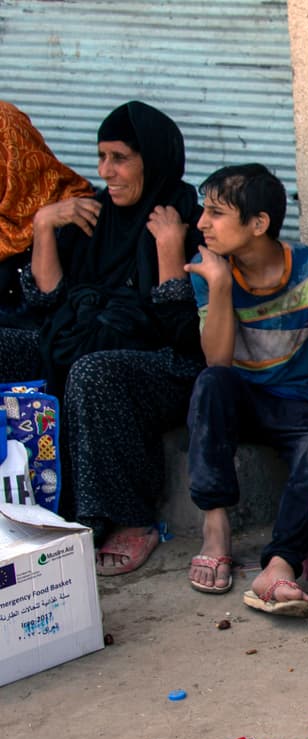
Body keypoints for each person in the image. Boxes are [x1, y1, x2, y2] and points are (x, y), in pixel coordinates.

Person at [0, 100, 204, 575]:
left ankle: (129, 518)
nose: (105, 171)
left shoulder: (184, 217)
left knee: (93, 370)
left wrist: (170, 250)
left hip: (166, 363)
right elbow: (46, 302)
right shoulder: (98, 212)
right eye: (101, 157)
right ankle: (17, 501)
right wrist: (44, 225)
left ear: (151, 159)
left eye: (119, 158)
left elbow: (183, 335)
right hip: (83, 343)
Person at [183, 164, 308, 613]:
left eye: (215, 213)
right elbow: (217, 359)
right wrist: (218, 286)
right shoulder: (210, 271)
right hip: (241, 397)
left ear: (258, 224)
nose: (201, 223)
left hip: (298, 404)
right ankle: (215, 528)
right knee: (211, 382)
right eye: (204, 211)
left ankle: (280, 562)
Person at [0, 101, 93, 322]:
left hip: (37, 341)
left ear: (14, 155)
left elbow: (50, 305)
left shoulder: (74, 212)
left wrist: (43, 226)